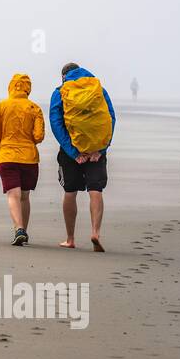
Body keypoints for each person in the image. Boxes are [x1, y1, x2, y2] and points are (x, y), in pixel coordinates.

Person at [50, 62, 115, 252]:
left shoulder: (59, 92)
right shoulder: (98, 89)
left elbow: (56, 124)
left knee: (70, 191)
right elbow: (110, 118)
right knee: (95, 189)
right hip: (96, 150)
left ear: (63, 76)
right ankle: (95, 232)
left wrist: (73, 152)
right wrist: (101, 149)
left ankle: (70, 238)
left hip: (72, 152)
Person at [0, 73, 45, 246]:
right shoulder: (34, 108)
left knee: (13, 194)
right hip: (28, 158)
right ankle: (23, 231)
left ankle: (19, 229)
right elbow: (39, 136)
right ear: (28, 88)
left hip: (7, 156)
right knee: (24, 196)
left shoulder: (2, 106)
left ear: (11, 86)